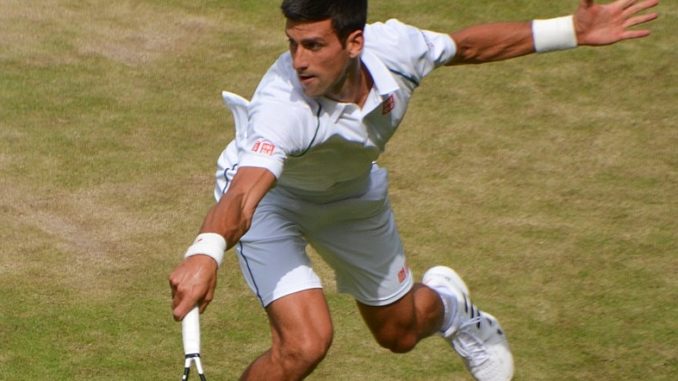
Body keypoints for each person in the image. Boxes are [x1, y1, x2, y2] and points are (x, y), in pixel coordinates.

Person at [169, 0, 658, 380]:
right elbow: (243, 195)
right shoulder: (283, 107)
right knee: (304, 344)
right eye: (293, 44)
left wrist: (571, 30)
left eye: (314, 45)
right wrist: (206, 251)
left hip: (352, 198)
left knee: (398, 334)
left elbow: (467, 46)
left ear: (355, 41)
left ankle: (451, 307)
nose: (298, 60)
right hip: (274, 205)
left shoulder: (398, 50)